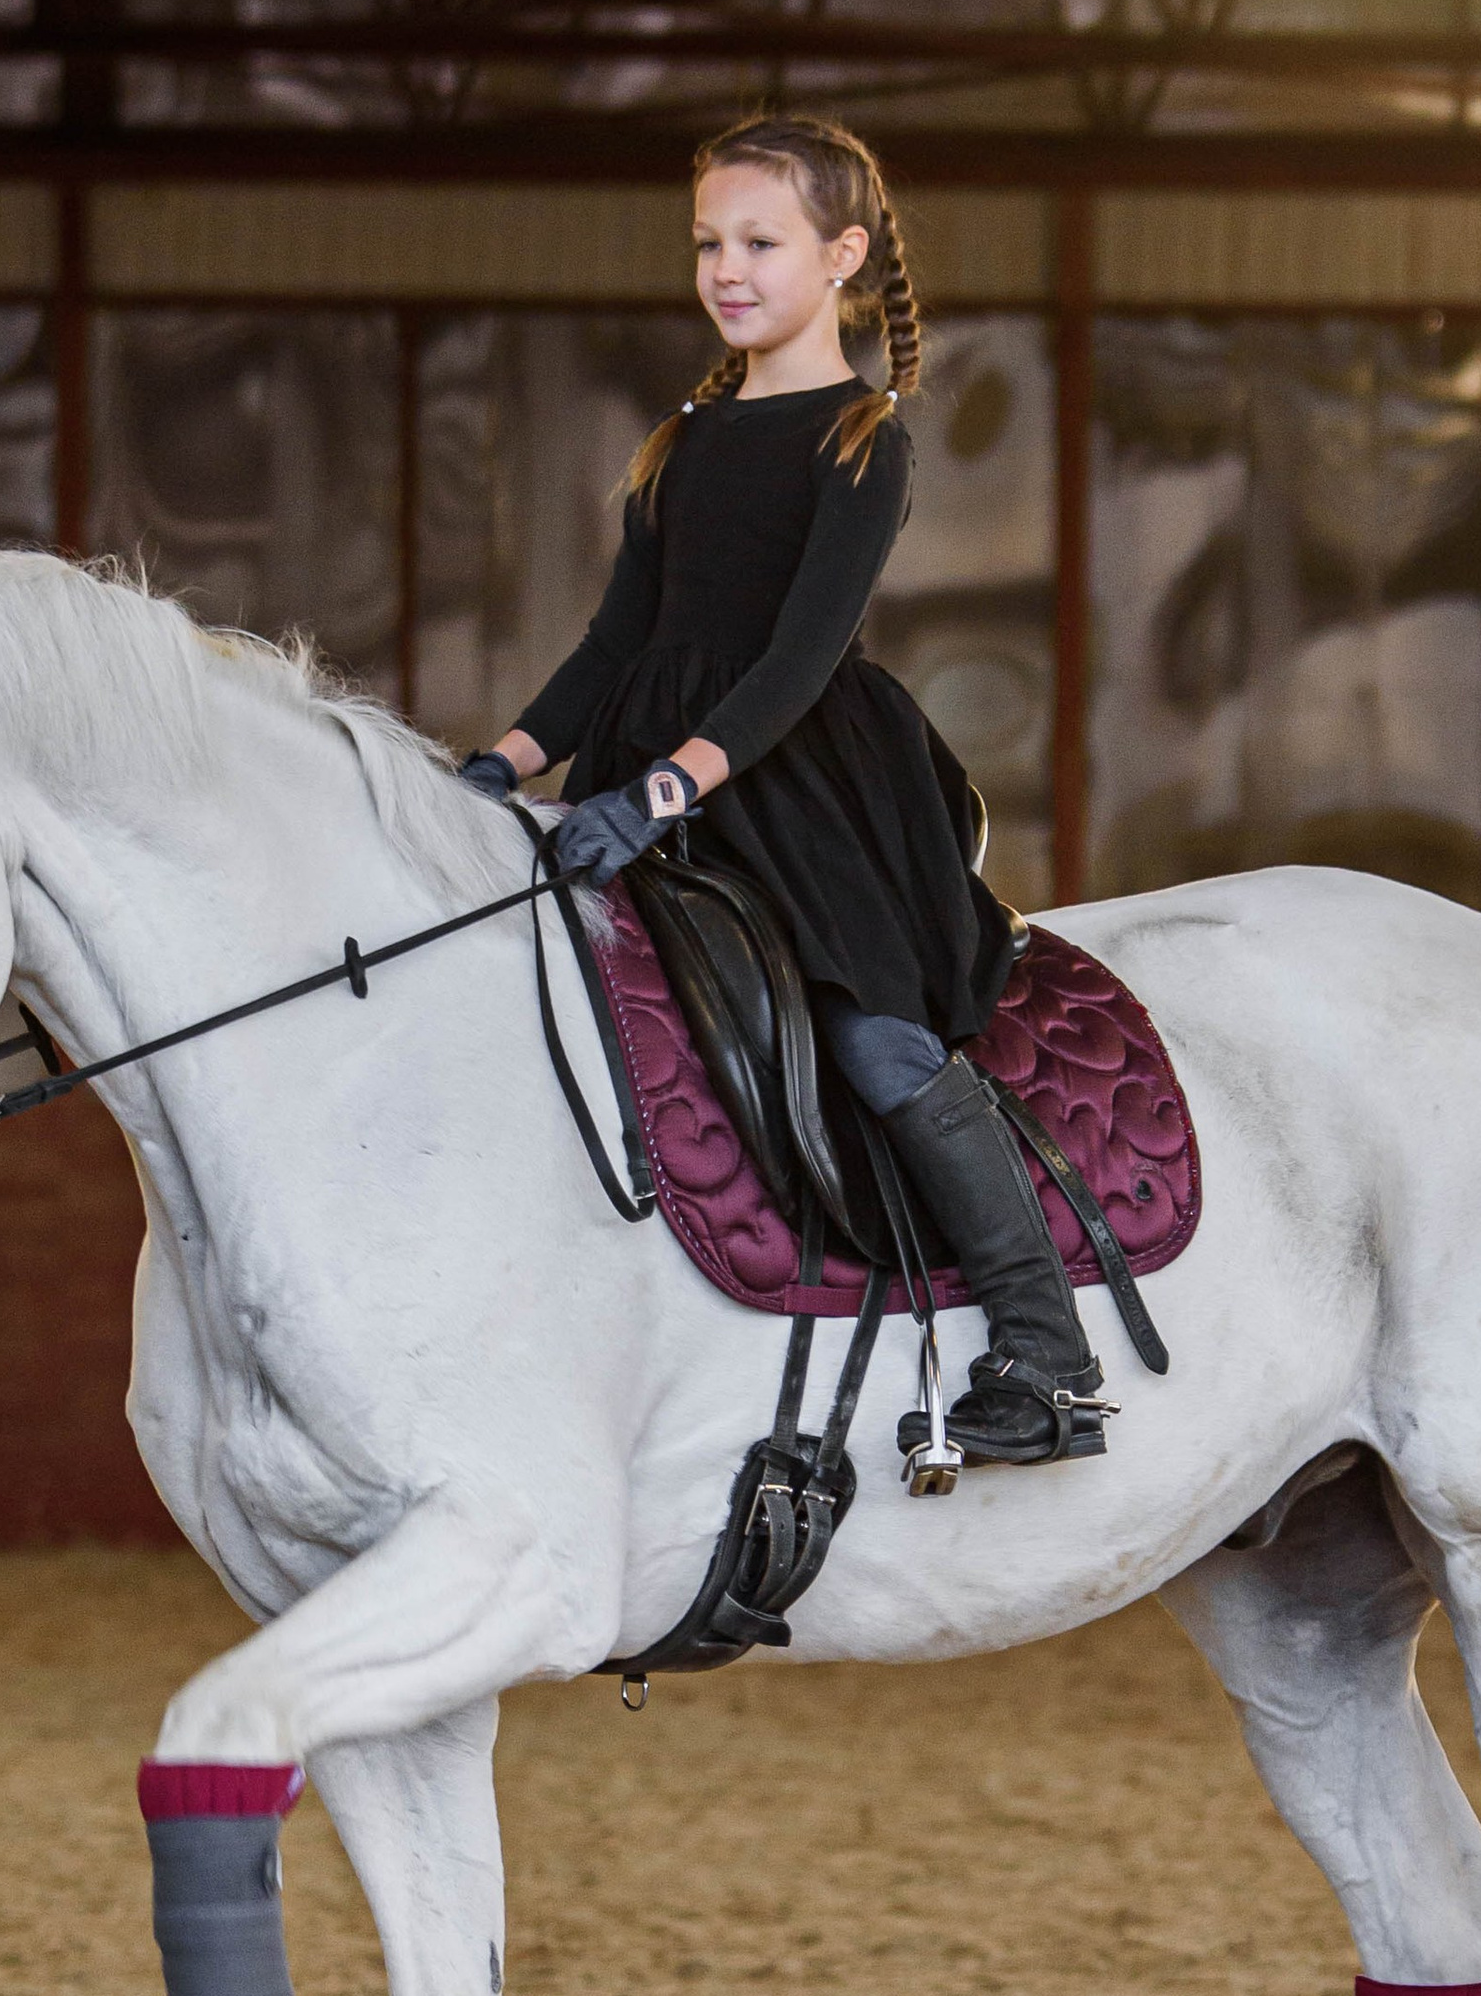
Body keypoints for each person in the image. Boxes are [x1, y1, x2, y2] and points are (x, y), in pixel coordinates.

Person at [458, 112, 1103, 1470]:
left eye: (759, 241)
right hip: (653, 774)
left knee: (874, 1044)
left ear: (844, 254)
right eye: (709, 243)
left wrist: (668, 787)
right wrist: (500, 763)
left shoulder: (864, 443)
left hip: (799, 784)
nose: (726, 268)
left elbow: (801, 655)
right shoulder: (679, 442)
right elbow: (613, 648)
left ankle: (1044, 1348)